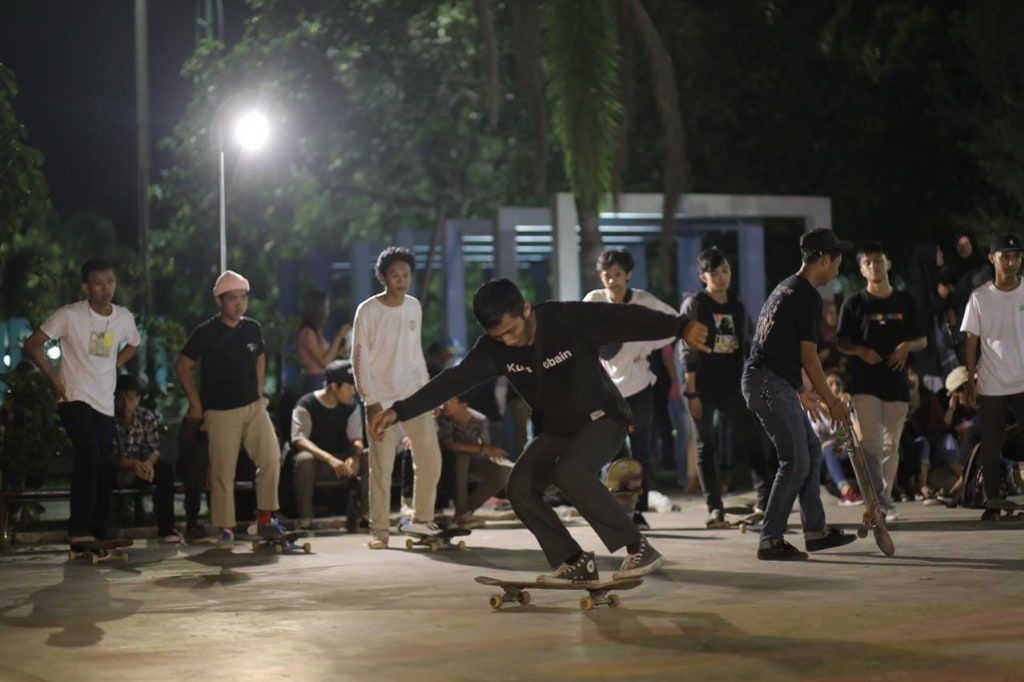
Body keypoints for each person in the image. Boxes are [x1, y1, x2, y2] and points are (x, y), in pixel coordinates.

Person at [369, 278, 710, 583]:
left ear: (527, 310)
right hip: (557, 430)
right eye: (499, 336)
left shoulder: (565, 319)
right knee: (519, 488)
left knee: (570, 473)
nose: (509, 341)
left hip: (603, 418)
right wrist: (399, 411)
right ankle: (573, 561)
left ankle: (638, 548)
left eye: (512, 330)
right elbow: (453, 380)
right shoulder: (494, 349)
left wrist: (680, 326)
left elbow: (623, 318)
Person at [742, 229, 859, 560]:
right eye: (836, 262)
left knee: (811, 450)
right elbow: (809, 357)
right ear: (823, 260)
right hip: (768, 382)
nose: (837, 269)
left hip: (768, 380)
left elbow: (774, 345)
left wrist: (799, 390)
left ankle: (815, 531)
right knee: (795, 461)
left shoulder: (786, 288)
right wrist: (833, 402)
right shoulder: (806, 296)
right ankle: (770, 540)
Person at [23, 257, 141, 543]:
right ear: (86, 287)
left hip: (103, 402)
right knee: (88, 452)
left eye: (110, 282)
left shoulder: (123, 317)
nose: (106, 288)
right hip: (73, 396)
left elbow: (134, 344)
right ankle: (78, 529)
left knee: (102, 463)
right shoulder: (69, 315)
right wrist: (55, 381)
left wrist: (114, 363)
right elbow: (32, 345)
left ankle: (96, 530)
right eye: (98, 283)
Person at [175, 270, 284, 548]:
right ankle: (225, 528)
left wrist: (259, 391)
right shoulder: (206, 332)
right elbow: (183, 366)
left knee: (271, 458)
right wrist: (196, 403)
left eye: (243, 297)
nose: (239, 304)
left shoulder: (252, 328)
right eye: (232, 298)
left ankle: (265, 519)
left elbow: (260, 356)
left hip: (253, 406)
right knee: (223, 472)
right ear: (219, 302)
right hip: (220, 411)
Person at [352, 246, 443, 549]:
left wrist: (429, 394)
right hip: (380, 399)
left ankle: (422, 522)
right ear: (382, 277)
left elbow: (416, 354)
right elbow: (359, 359)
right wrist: (370, 401)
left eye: (406, 274)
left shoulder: (414, 307)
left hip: (413, 396)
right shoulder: (368, 311)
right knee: (381, 468)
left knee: (430, 459)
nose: (401, 280)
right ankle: (379, 530)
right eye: (395, 275)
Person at [680, 246, 776, 528]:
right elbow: (687, 349)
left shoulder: (737, 304)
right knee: (705, 445)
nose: (721, 276)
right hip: (702, 384)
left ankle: (765, 502)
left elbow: (746, 345)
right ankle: (714, 508)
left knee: (753, 438)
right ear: (703, 277)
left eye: (725, 270)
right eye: (714, 272)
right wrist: (691, 391)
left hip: (734, 383)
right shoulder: (696, 304)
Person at [582, 248, 678, 529]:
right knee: (611, 452)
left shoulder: (643, 301)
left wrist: (645, 345)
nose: (612, 281)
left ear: (628, 275)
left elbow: (674, 322)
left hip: (639, 388)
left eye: (617, 274)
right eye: (607, 275)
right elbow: (577, 330)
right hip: (606, 391)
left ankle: (638, 511)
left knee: (640, 451)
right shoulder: (594, 301)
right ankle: (615, 509)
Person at [836, 242, 927, 521]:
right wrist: (860, 351)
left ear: (888, 264)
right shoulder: (854, 303)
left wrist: (907, 346)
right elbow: (841, 342)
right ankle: (878, 502)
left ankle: (884, 500)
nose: (874, 266)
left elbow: (923, 339)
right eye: (868, 262)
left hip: (897, 383)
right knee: (871, 445)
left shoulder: (905, 301)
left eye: (878, 260)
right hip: (864, 384)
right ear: (861, 270)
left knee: (891, 446)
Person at [960, 233, 1024, 515]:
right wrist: (970, 381)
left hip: (1023, 379)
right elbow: (971, 342)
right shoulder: (980, 297)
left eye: (1016, 257)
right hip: (992, 381)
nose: (1011, 262)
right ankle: (992, 500)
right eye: (1005, 257)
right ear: (992, 259)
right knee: (991, 441)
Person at [288, 360, 367, 529]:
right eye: (349, 387)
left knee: (367, 456)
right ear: (334, 386)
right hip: (317, 464)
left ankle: (365, 516)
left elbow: (356, 438)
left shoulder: (352, 406)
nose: (353, 392)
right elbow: (299, 439)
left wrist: (355, 456)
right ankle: (306, 520)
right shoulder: (306, 404)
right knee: (304, 459)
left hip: (342, 463)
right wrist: (329, 459)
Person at [110, 374, 181, 543]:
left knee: (165, 469)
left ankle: (166, 529)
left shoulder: (146, 417)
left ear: (138, 399)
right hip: (116, 470)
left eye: (130, 398)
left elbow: (154, 449)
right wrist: (130, 464)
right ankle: (97, 530)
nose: (125, 403)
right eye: (121, 398)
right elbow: (106, 455)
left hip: (140, 471)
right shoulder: (108, 418)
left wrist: (148, 463)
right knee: (101, 473)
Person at [436, 393, 511, 529]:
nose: (444, 405)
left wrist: (486, 451)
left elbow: (484, 451)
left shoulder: (479, 420)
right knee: (462, 457)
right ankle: (462, 513)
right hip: (444, 465)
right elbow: (450, 446)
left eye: (450, 401)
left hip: (471, 463)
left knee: (503, 472)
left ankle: (465, 512)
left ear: (463, 404)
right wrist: (482, 448)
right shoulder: (442, 418)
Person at [296, 289, 351, 394]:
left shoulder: (315, 331)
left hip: (321, 378)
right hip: (315, 381)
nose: (328, 312)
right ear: (318, 309)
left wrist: (338, 353)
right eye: (326, 308)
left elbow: (325, 356)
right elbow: (324, 362)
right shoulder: (308, 333)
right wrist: (338, 336)